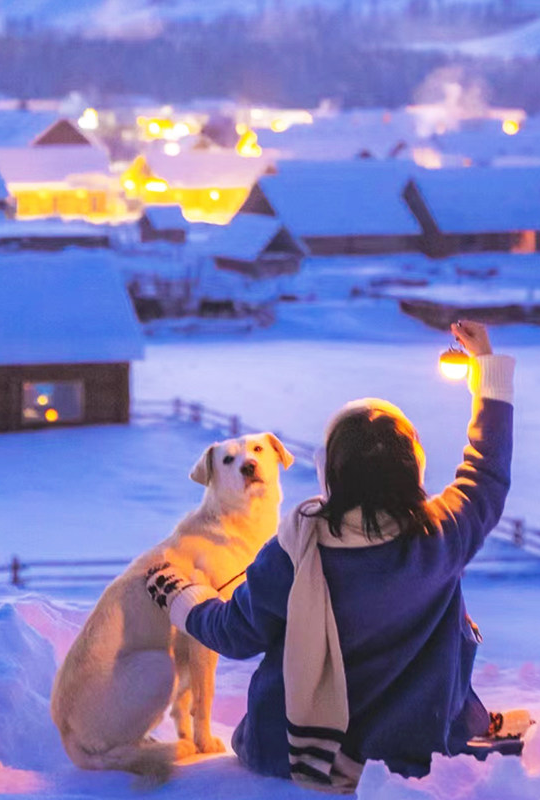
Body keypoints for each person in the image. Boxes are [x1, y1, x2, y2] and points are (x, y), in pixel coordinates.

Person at [146, 320, 514, 792]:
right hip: (414, 745)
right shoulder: (444, 535)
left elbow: (235, 634)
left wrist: (180, 596)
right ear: (414, 468)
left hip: (283, 749)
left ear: (329, 474)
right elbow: (487, 472)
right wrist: (486, 368)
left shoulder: (294, 552)